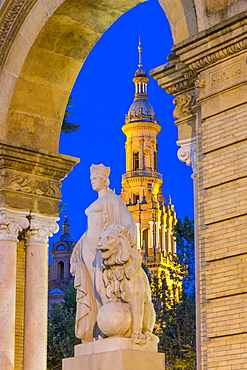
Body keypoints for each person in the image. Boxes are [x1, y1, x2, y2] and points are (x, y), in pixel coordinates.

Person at [70, 164, 136, 342]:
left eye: (95, 179)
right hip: (88, 248)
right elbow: (90, 228)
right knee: (92, 288)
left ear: (104, 180)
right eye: (91, 179)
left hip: (102, 249)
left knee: (103, 286)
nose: (92, 181)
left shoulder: (113, 200)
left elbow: (128, 220)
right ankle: (98, 328)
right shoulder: (99, 201)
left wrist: (126, 232)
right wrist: (78, 249)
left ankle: (111, 325)